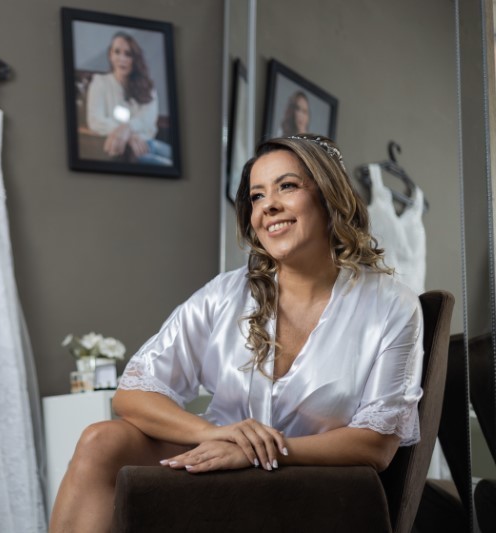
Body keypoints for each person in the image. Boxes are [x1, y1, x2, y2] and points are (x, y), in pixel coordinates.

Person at [49, 135, 424, 533]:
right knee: (100, 441)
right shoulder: (225, 294)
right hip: (218, 461)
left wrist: (259, 451)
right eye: (257, 196)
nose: (268, 206)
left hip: (312, 482)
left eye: (287, 186)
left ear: (330, 197)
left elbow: (377, 443)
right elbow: (132, 395)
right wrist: (218, 435)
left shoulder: (391, 305)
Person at [85, 31, 172, 165]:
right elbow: (95, 120)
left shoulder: (148, 86)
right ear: (110, 55)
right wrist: (126, 135)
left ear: (135, 59)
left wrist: (127, 129)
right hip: (124, 150)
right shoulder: (100, 82)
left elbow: (147, 120)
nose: (122, 59)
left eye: (128, 54)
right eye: (117, 52)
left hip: (148, 143)